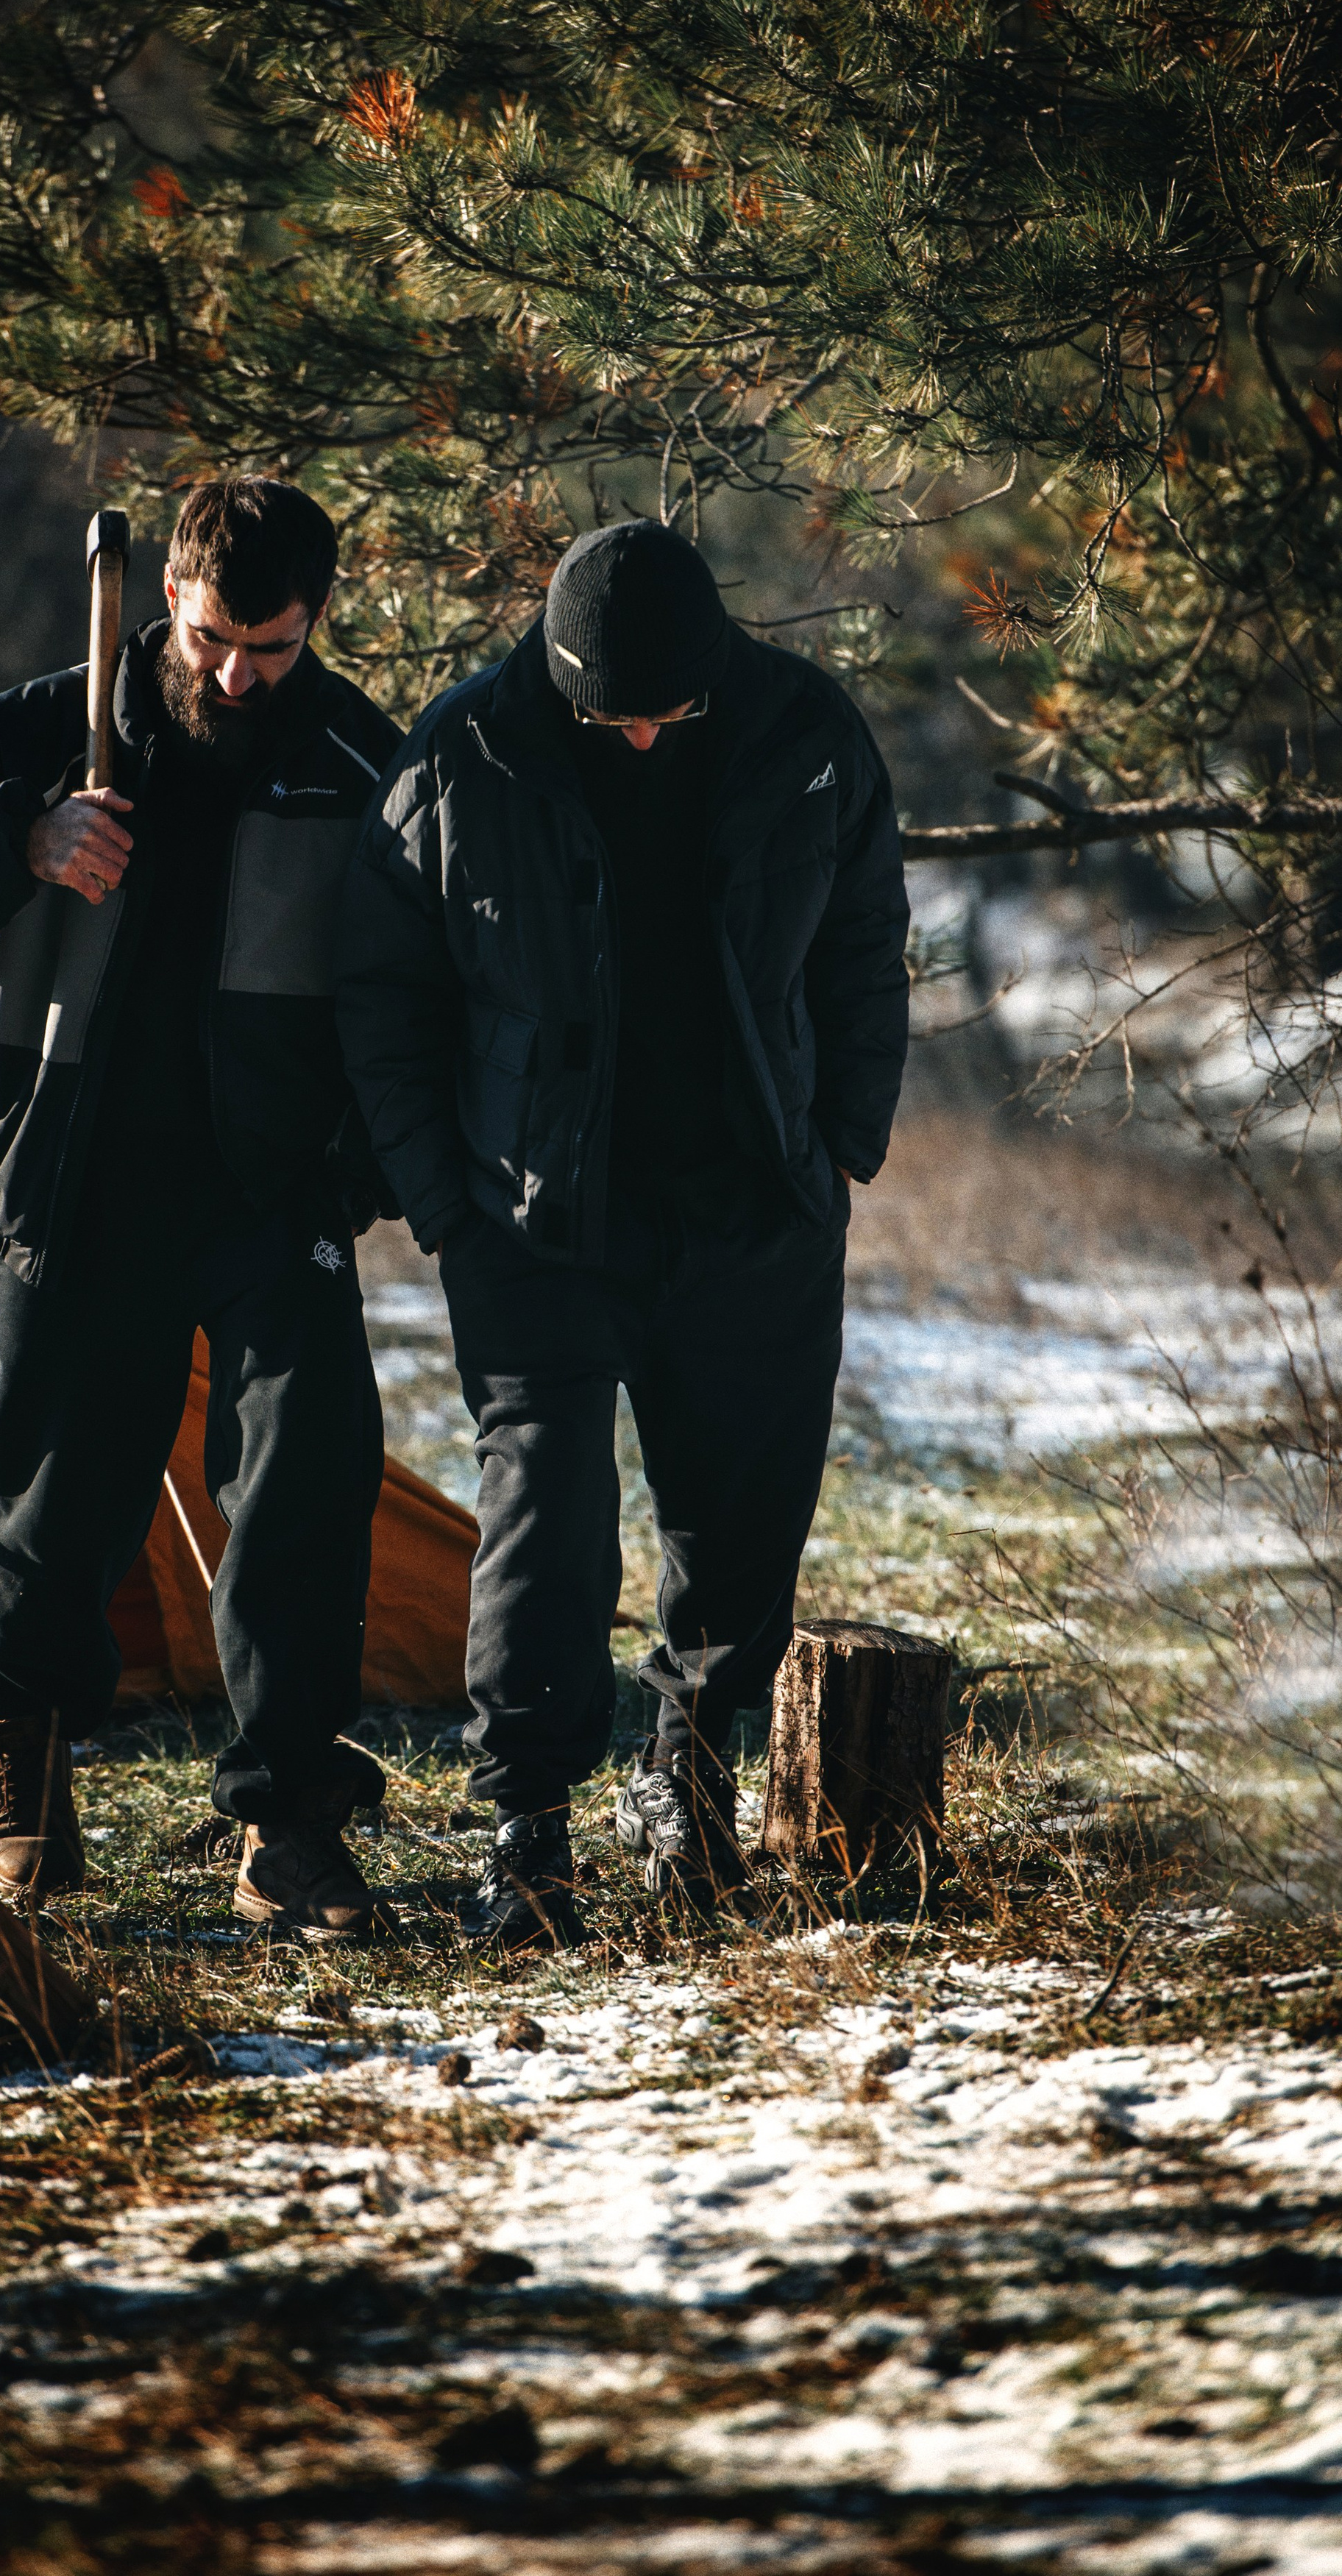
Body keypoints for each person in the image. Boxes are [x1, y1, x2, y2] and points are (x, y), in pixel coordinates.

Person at [0, 477, 402, 1935]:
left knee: (308, 1485)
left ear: (311, 624)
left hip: (275, 1191)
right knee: (52, 1501)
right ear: (168, 605)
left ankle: (285, 1823)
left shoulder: (358, 761)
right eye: (210, 638)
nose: (233, 674)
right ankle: (26, 1765)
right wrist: (17, 837)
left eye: (268, 648)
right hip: (75, 1178)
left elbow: (435, 987)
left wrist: (366, 1172)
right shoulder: (35, 730)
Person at [336, 518, 909, 1948]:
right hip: (532, 1217)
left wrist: (842, 1137)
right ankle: (527, 1834)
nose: (644, 740)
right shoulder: (459, 757)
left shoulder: (801, 729)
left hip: (750, 1201)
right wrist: (442, 1198)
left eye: (671, 712)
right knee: (548, 1521)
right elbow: (381, 993)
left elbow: (862, 934)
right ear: (556, 676)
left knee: (738, 1523)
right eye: (615, 717)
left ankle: (687, 1791)